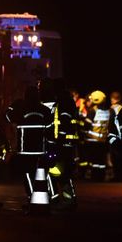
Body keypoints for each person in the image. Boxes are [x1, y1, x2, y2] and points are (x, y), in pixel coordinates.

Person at [5, 85, 53, 206]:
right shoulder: (44, 110)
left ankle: (31, 197)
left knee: (27, 175)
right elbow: (50, 127)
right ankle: (47, 197)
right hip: (40, 149)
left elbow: (8, 117)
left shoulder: (21, 108)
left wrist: (12, 105)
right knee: (41, 175)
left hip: (25, 150)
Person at [49, 79, 80, 210]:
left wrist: (58, 141)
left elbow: (64, 121)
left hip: (63, 144)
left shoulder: (64, 102)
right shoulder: (66, 100)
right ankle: (67, 199)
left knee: (62, 173)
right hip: (66, 143)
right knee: (62, 173)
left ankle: (68, 200)